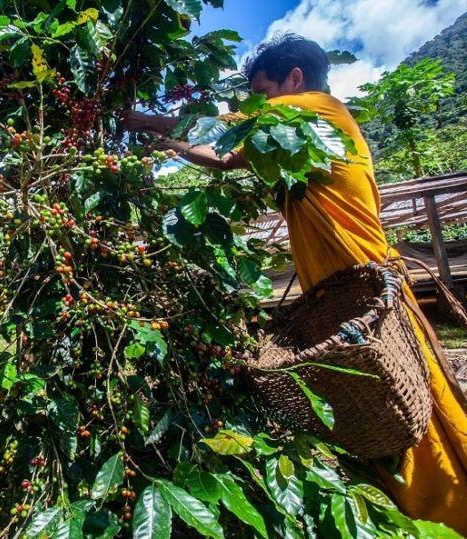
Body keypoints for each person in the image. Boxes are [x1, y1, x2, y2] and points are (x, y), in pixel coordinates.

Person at [122, 34, 467, 534]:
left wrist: (149, 119)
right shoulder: (297, 134)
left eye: (262, 91)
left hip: (368, 290)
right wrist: (163, 139)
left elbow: (227, 129)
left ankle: (444, 514)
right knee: (389, 405)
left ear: (294, 80)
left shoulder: (317, 110)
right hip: (344, 290)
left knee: (407, 408)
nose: (256, 104)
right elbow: (225, 156)